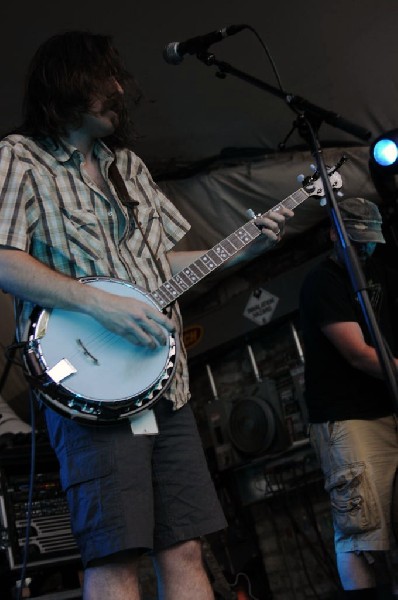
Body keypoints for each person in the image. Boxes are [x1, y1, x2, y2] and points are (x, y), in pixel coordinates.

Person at [0, 31, 292, 600]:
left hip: (167, 386)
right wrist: (96, 302)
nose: (118, 89)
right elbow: (4, 258)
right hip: (89, 388)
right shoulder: (20, 158)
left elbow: (162, 265)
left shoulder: (127, 167)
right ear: (67, 82)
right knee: (117, 557)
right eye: (103, 78)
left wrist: (244, 246)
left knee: (184, 548)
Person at [299, 197, 398, 598]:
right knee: (363, 529)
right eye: (357, 244)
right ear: (333, 236)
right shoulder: (322, 282)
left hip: (387, 406)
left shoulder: (382, 268)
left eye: (370, 242)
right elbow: (357, 353)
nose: (365, 251)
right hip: (347, 416)